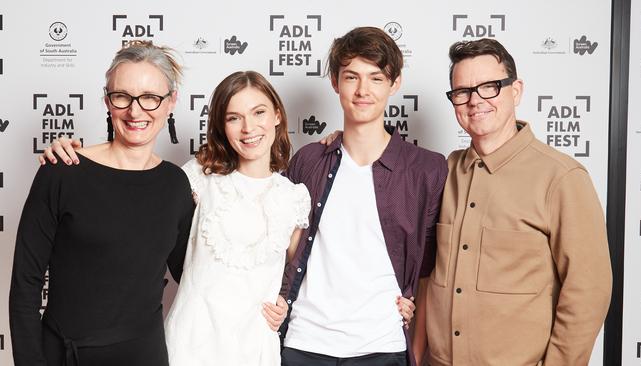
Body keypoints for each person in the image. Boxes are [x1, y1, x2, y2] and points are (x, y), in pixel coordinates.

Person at [415, 38, 612, 366]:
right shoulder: (442, 172)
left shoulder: (561, 177)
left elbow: (588, 292)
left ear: (516, 90)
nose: (475, 100)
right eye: (462, 91)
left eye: (489, 87)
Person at [10, 41, 195, 366]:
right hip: (65, 355)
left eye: (150, 97)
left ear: (171, 102)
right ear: (107, 101)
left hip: (144, 357)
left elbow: (195, 274)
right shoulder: (62, 172)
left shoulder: (176, 185)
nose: (135, 111)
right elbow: (26, 283)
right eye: (122, 96)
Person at [280, 27, 447, 366]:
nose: (362, 91)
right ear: (334, 82)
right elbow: (281, 245)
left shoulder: (426, 170)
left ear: (394, 83)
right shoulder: (309, 160)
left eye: (376, 78)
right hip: (305, 342)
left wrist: (414, 344)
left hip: (382, 346)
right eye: (351, 77)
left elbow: (431, 271)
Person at [163, 70, 310, 366]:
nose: (248, 128)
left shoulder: (294, 198)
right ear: (221, 126)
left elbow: (300, 277)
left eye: (259, 112)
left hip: (254, 348)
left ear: (278, 115)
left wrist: (285, 303)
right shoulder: (198, 178)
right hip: (190, 345)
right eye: (234, 118)